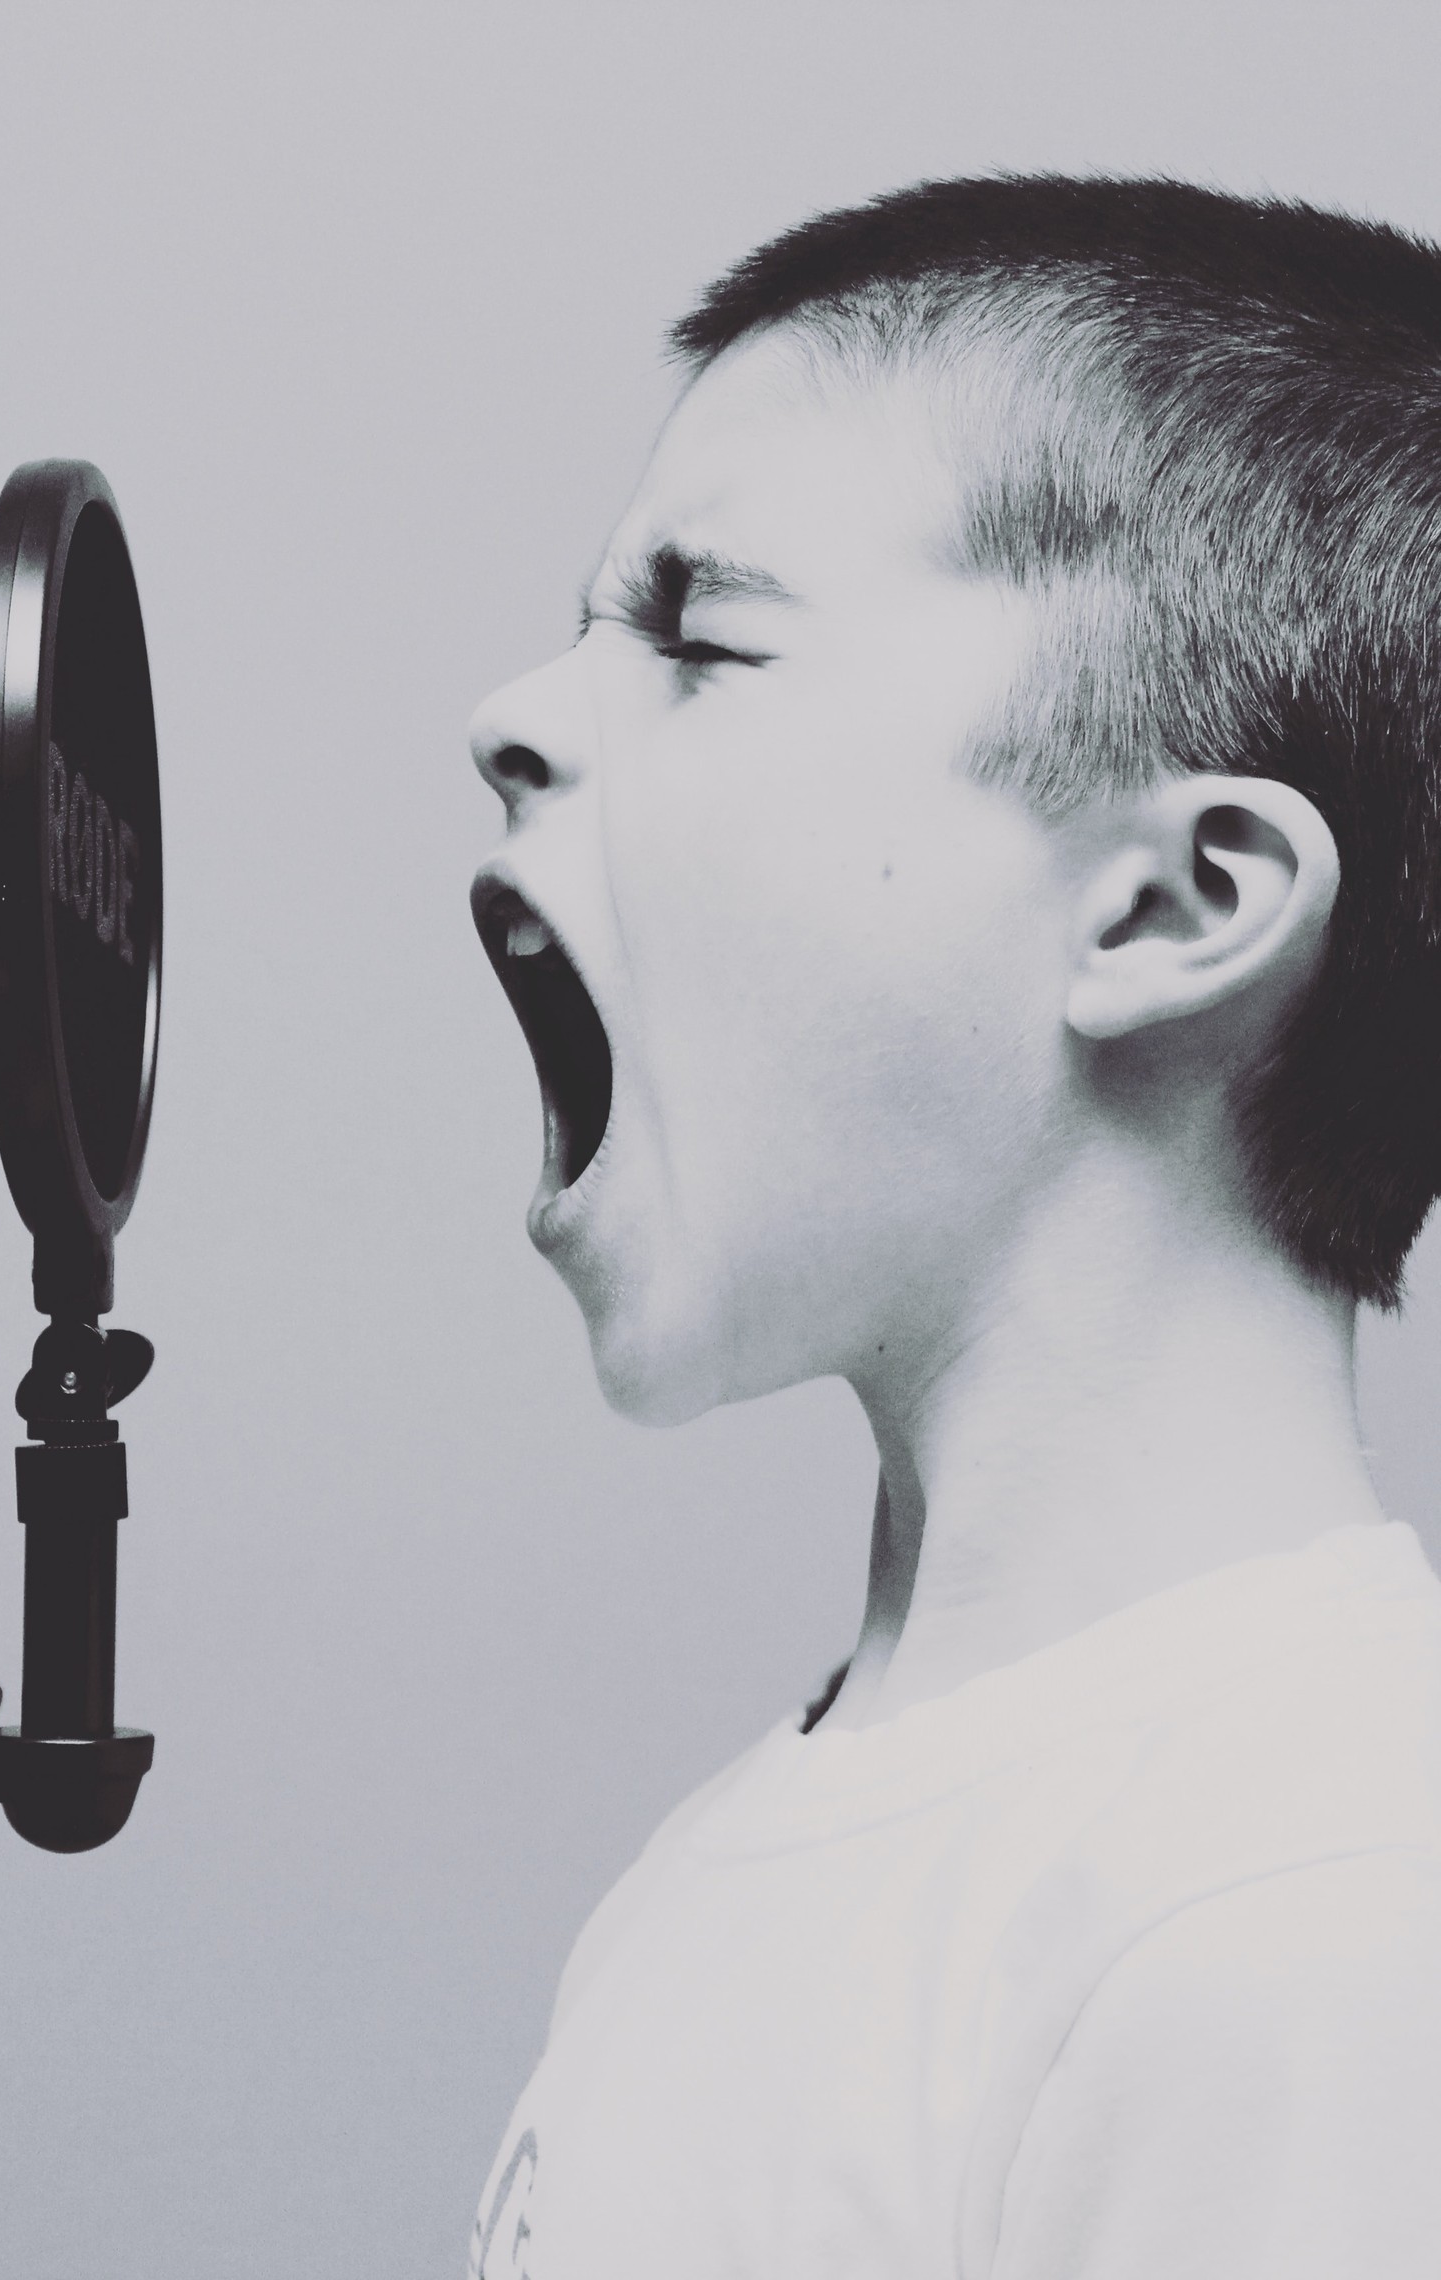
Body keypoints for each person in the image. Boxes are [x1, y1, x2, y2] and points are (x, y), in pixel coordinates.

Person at [465, 175, 1441, 2278]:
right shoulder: (739, 1866)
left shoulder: (1319, 1906)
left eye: (702, 642)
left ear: (1175, 906)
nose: (514, 716)